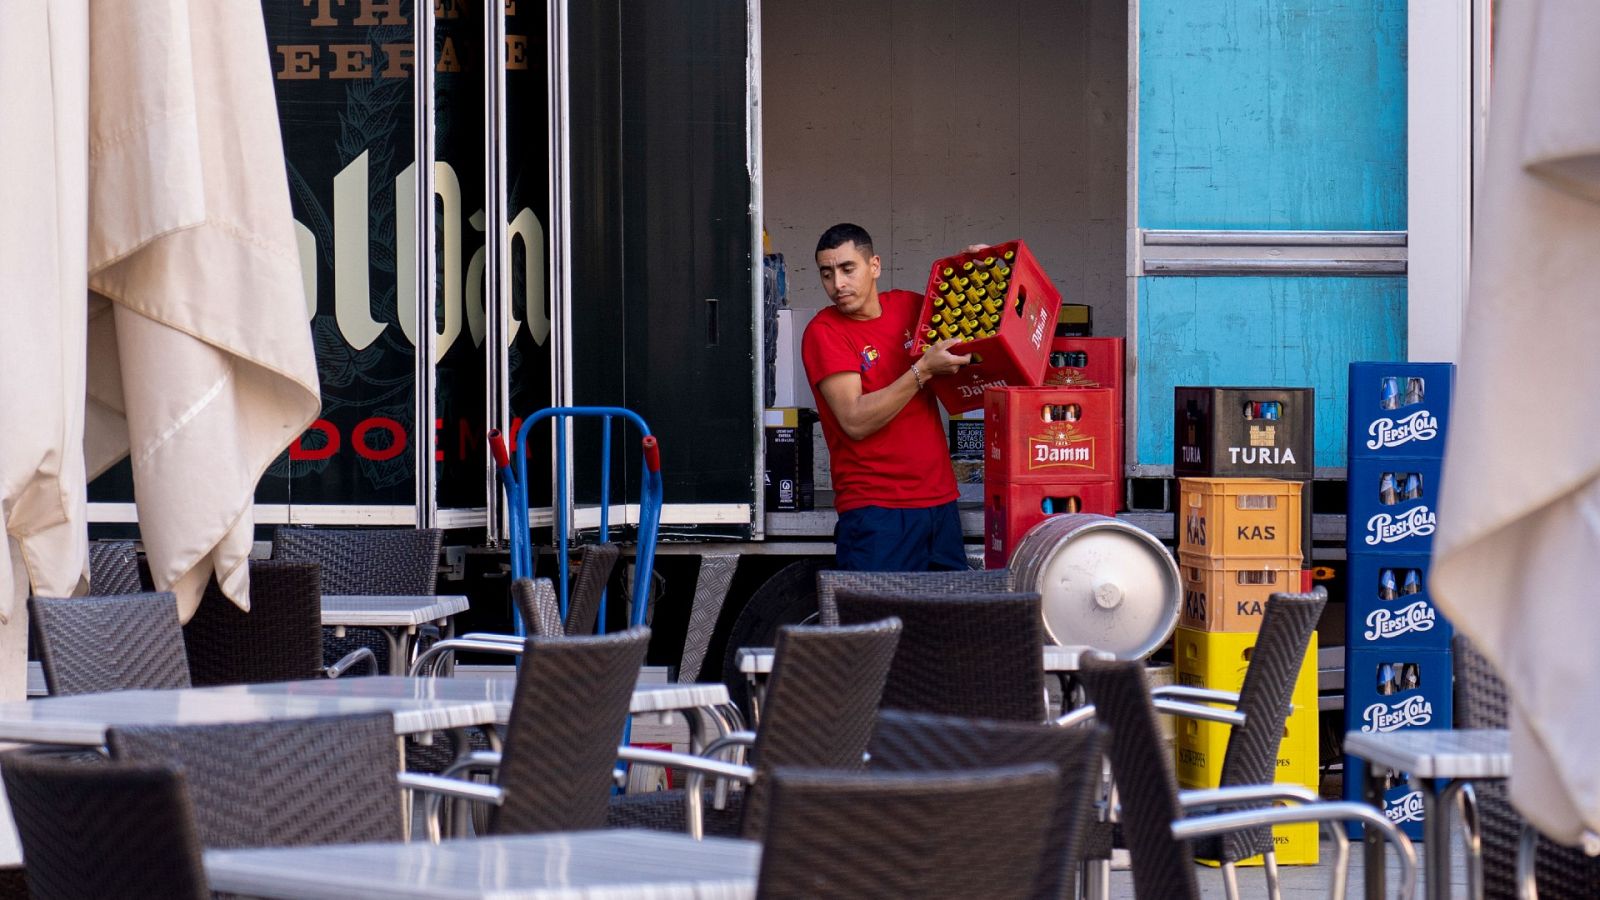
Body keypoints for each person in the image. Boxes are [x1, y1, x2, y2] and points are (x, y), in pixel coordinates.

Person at [801, 223, 978, 571]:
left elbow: (972, 325)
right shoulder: (825, 333)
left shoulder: (909, 307)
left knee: (947, 624)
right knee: (876, 625)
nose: (837, 284)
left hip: (940, 503)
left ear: (875, 266)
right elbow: (854, 420)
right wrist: (922, 371)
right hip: (876, 511)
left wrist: (978, 272)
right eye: (827, 273)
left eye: (847, 269)